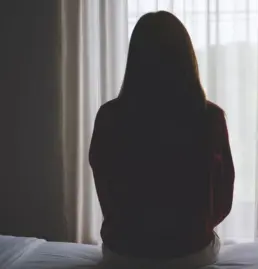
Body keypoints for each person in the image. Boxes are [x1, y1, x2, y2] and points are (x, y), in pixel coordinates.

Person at [89, 11, 235, 268]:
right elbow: (224, 200)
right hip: (192, 253)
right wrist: (193, 229)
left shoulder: (109, 117)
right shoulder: (210, 117)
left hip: (123, 254)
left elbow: (106, 192)